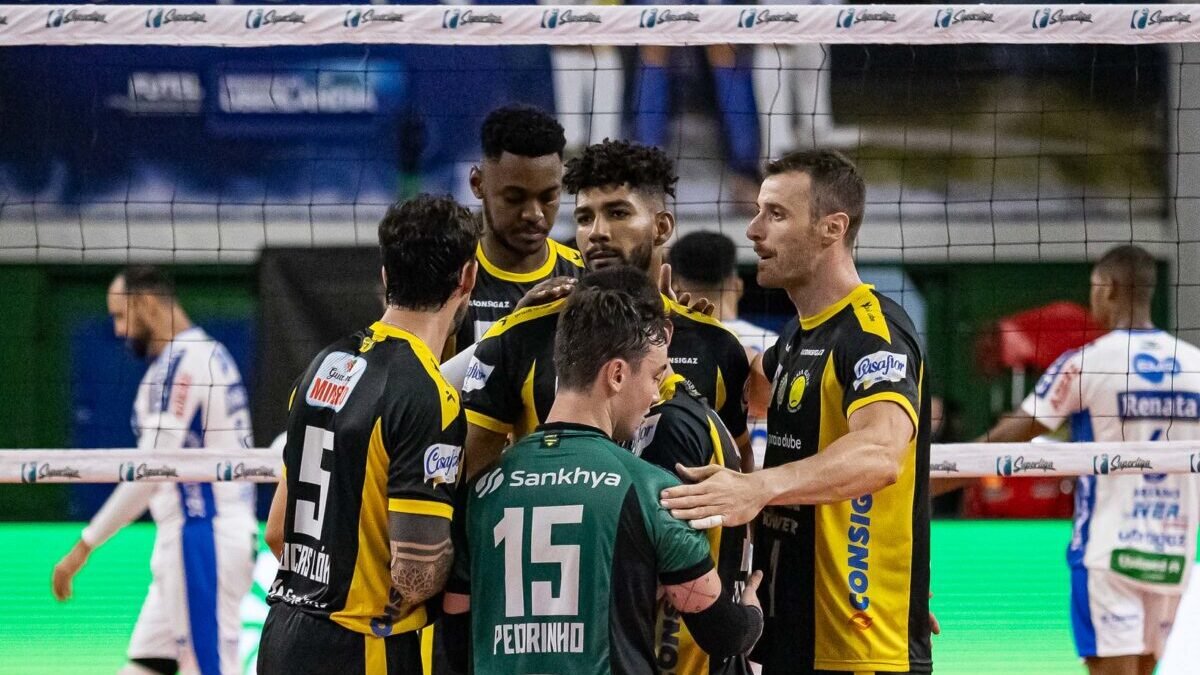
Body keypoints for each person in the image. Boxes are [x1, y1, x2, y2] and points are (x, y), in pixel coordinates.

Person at [659, 149, 932, 674]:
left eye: (776, 215)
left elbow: (880, 454)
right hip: (793, 631)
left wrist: (756, 488)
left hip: (858, 646)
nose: (754, 230)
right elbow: (747, 390)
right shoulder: (794, 340)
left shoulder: (874, 333)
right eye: (759, 211)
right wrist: (680, 328)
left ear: (832, 228)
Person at [442, 266, 764, 674]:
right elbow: (724, 634)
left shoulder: (483, 491)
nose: (654, 393)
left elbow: (455, 623)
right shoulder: (652, 492)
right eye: (653, 376)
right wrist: (751, 610)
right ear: (616, 374)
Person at [258, 194, 479, 674]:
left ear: (385, 274)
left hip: (283, 634)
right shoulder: (426, 394)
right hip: (364, 646)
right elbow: (416, 576)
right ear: (468, 277)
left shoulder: (323, 366)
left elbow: (276, 532)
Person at [461, 139, 751, 477]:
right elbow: (474, 479)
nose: (596, 232)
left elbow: (736, 470)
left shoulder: (716, 345)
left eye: (617, 213)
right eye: (585, 218)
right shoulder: (522, 335)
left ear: (662, 227)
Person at [981, 244, 1200, 675]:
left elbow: (1014, 435)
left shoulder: (1087, 363)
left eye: (1094, 289)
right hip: (1172, 555)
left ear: (1109, 288)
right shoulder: (1195, 365)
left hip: (1108, 553)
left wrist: (933, 469)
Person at [52, 265, 257, 675]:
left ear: (146, 304)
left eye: (121, 315)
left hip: (201, 537)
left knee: (211, 668)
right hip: (201, 537)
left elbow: (152, 470)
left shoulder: (181, 363)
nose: (120, 330)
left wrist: (84, 546)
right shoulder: (210, 352)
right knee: (145, 664)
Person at [633, 370, 752, 675]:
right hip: (711, 634)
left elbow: (670, 567)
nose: (654, 395)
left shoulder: (670, 421)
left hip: (687, 648)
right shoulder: (692, 412)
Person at [453, 104, 585, 352]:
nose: (534, 214)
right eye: (514, 198)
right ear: (477, 184)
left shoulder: (585, 276)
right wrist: (516, 327)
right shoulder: (450, 280)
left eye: (548, 198)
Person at [670, 230, 779, 471]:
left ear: (675, 287)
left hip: (700, 473)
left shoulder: (665, 345)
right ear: (737, 286)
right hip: (771, 479)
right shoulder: (776, 346)